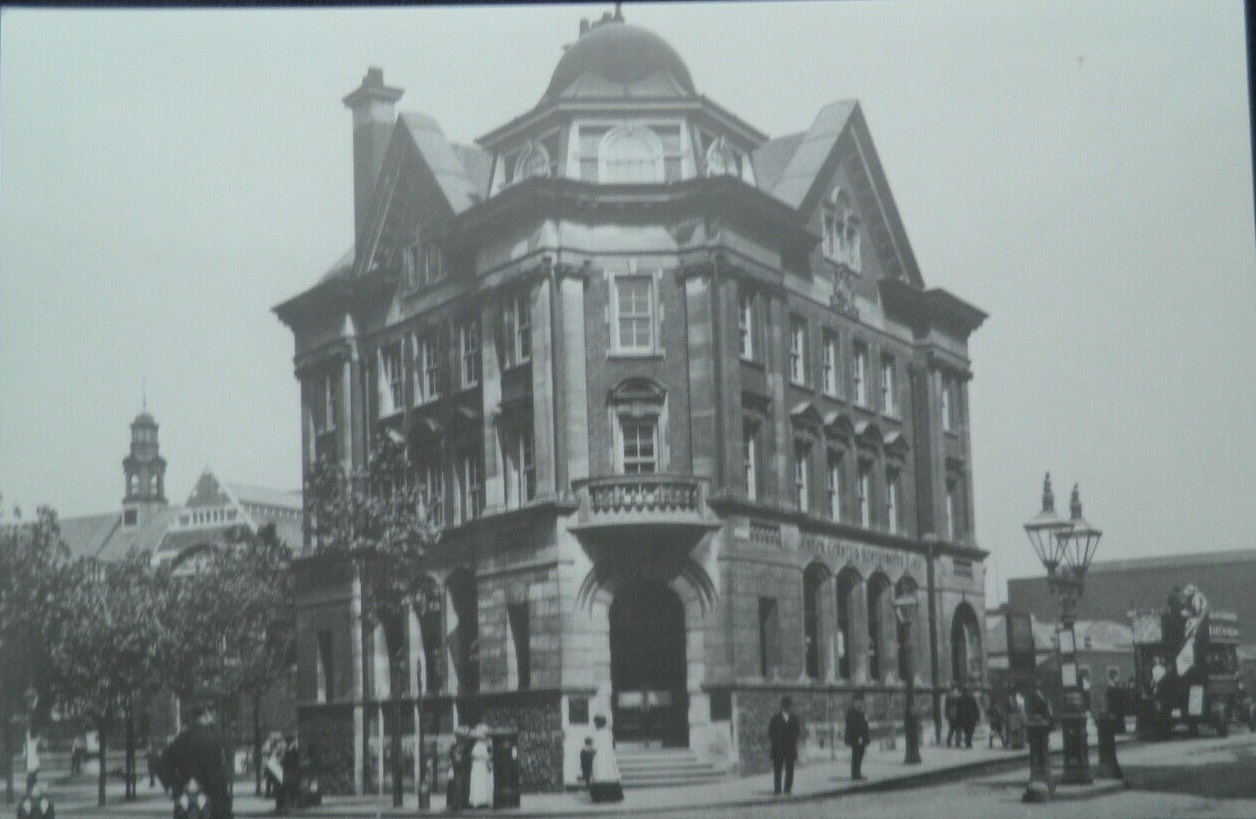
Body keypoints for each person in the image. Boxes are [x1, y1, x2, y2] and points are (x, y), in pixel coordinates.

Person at [157, 706, 232, 819]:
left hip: (185, 794)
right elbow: (221, 770)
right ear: (206, 714)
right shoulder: (215, 739)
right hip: (212, 794)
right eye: (213, 713)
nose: (214, 717)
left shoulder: (181, 738)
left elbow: (162, 763)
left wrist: (171, 785)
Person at [767, 696, 801, 795]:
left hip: (790, 748)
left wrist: (792, 740)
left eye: (789, 706)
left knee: (790, 769)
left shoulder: (794, 718)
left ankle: (787, 788)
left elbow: (797, 732)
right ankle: (777, 789)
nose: (788, 708)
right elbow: (771, 732)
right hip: (778, 749)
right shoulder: (775, 718)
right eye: (786, 706)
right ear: (782, 706)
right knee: (778, 770)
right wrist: (776, 742)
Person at [588, 715, 623, 803]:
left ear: (598, 724)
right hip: (608, 756)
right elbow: (612, 745)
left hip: (599, 757)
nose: (595, 724)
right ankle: (612, 797)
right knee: (610, 774)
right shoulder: (609, 733)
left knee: (600, 775)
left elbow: (594, 747)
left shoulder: (596, 734)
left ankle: (601, 797)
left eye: (595, 723)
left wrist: (590, 749)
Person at [844, 695, 870, 781]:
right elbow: (854, 726)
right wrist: (859, 737)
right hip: (856, 738)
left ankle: (857, 773)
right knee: (856, 755)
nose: (859, 703)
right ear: (854, 702)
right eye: (857, 702)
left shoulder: (860, 711)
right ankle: (855, 774)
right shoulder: (852, 712)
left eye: (860, 702)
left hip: (861, 737)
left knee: (860, 755)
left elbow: (864, 723)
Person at [467, 724, 493, 808]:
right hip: (479, 766)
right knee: (479, 782)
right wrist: (487, 757)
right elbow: (474, 755)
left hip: (482, 766)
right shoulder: (478, 745)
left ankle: (483, 800)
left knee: (483, 782)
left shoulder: (485, 745)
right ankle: (478, 801)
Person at [280, 734, 301, 811]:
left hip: (291, 771)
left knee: (291, 787)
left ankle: (291, 803)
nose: (286, 743)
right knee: (289, 787)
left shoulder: (292, 751)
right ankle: (290, 803)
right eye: (286, 741)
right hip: (289, 772)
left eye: (287, 741)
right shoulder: (290, 750)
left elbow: (291, 761)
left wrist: (283, 762)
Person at [264, 737, 284, 806]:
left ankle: (271, 793)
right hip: (272, 767)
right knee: (270, 782)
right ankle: (270, 793)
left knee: (272, 782)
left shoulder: (277, 749)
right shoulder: (272, 749)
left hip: (273, 767)